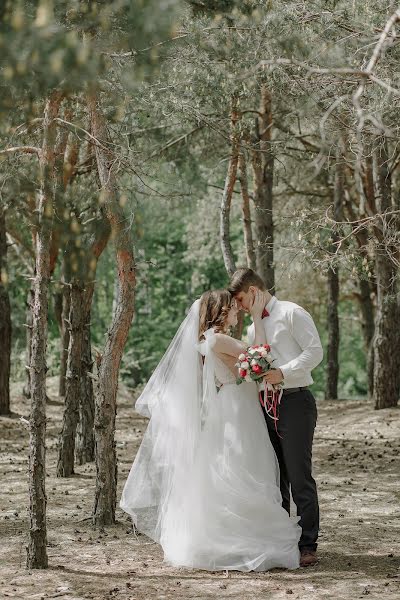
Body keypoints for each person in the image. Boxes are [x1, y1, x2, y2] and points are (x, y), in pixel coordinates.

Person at [120, 289, 301, 571]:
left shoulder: (209, 339)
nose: (236, 311)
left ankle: (238, 532)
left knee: (237, 467)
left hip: (232, 404)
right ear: (220, 312)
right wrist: (257, 317)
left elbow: (247, 366)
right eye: (232, 307)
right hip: (236, 408)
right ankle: (242, 539)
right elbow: (260, 359)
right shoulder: (219, 339)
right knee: (244, 466)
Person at [229, 268, 323, 568]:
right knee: (274, 476)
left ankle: (308, 544)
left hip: (295, 402)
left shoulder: (292, 313)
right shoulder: (251, 329)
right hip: (264, 406)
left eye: (243, 299)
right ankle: (281, 542)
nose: (241, 306)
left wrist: (285, 371)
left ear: (254, 291)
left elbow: (315, 352)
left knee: (299, 477)